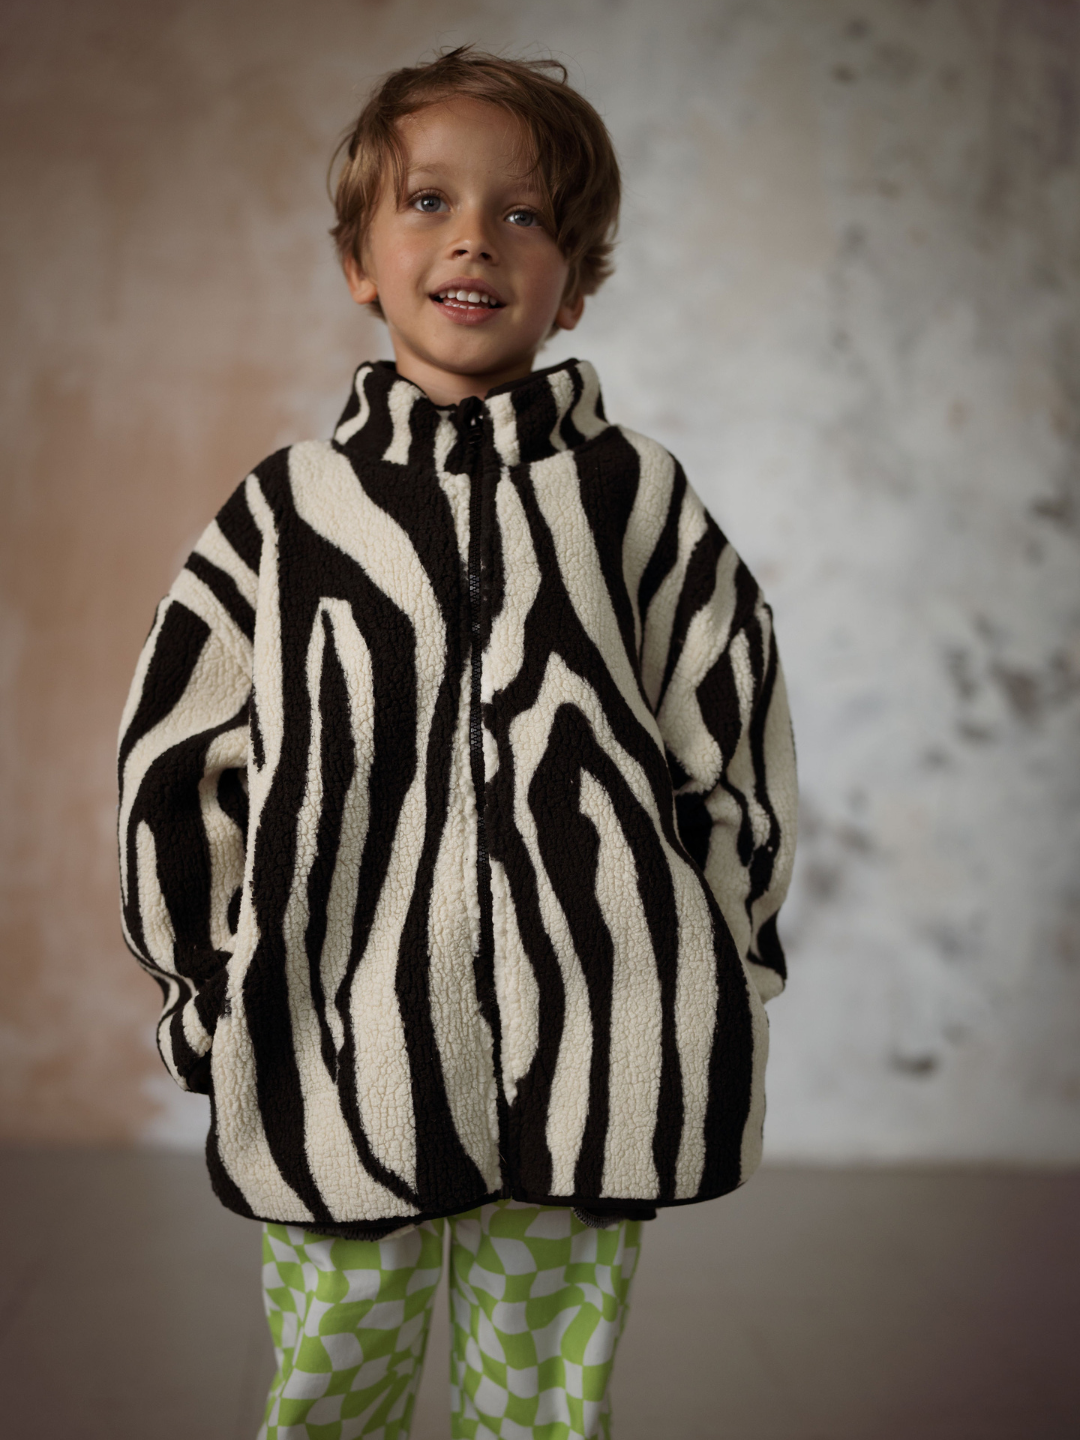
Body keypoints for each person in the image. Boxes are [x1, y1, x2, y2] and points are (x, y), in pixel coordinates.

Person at [116, 45, 797, 1440]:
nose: (474, 236)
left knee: (547, 1403)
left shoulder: (636, 502)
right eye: (427, 202)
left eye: (525, 214)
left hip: (597, 1045)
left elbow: (733, 730)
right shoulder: (285, 518)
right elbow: (175, 766)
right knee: (326, 1389)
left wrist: (718, 956)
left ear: (577, 279)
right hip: (331, 1046)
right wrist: (210, 990)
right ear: (361, 262)